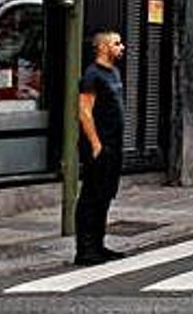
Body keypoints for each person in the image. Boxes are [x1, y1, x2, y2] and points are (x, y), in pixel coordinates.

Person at [74, 31, 127, 266]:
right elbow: (84, 111)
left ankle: (98, 245)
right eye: (117, 43)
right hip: (98, 146)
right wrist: (95, 144)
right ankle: (85, 250)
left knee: (105, 195)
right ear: (103, 47)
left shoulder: (114, 72)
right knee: (91, 197)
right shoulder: (92, 75)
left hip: (113, 145)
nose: (122, 47)